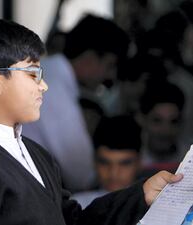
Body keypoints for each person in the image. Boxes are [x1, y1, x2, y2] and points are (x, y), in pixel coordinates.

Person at [0, 17, 182, 225]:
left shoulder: (36, 155)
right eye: (33, 73)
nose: (44, 86)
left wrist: (139, 196)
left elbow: (74, 220)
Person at [22, 14, 130, 192]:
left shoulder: (43, 70)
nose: (109, 76)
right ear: (89, 57)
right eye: (110, 65)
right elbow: (80, 173)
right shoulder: (52, 85)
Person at [72, 115, 142, 208]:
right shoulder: (76, 206)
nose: (113, 173)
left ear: (139, 163)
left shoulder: (155, 207)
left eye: (124, 163)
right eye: (104, 163)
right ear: (94, 161)